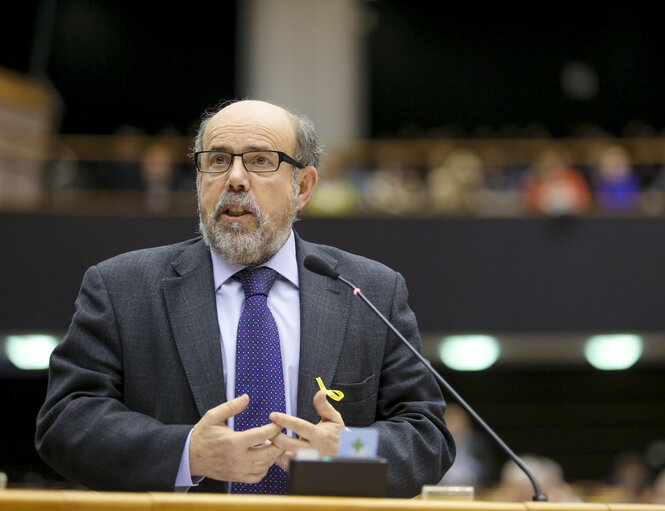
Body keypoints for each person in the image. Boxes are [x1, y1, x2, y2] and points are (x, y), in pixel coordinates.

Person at [35, 99, 455, 497]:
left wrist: (347, 451)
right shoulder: (121, 287)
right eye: (217, 160)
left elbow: (427, 437)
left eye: (259, 160)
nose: (234, 178)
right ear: (200, 181)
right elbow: (66, 422)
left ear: (303, 186)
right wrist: (187, 452)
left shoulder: (371, 290)